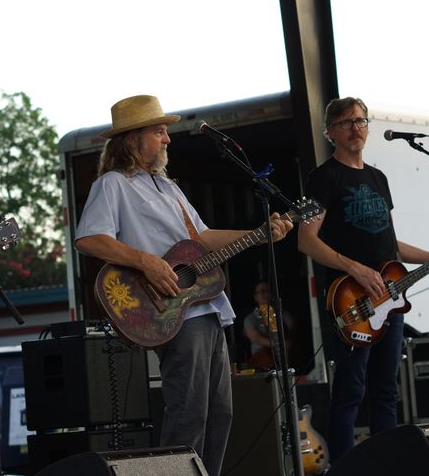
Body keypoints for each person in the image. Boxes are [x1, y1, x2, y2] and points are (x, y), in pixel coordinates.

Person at [75, 94, 293, 476]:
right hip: (169, 309)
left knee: (220, 411)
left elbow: (202, 238)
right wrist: (147, 262)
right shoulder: (112, 184)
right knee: (189, 409)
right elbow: (90, 239)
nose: (167, 139)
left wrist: (258, 235)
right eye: (159, 132)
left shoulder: (169, 187)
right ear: (133, 139)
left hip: (206, 306)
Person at [296, 97, 429, 460]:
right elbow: (305, 240)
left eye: (362, 121)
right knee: (349, 392)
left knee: (386, 391)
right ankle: (346, 468)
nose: (356, 127)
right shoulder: (322, 177)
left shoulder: (378, 177)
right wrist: (354, 267)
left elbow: (390, 244)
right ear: (330, 131)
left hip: (390, 299)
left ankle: (388, 464)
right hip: (350, 298)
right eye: (347, 122)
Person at [241, 281, 295, 369]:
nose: (264, 294)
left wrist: (287, 342)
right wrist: (276, 344)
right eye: (261, 291)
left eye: (267, 291)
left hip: (284, 351)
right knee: (265, 360)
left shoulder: (283, 314)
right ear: (255, 297)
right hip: (262, 355)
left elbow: (292, 328)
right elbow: (255, 337)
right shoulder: (250, 318)